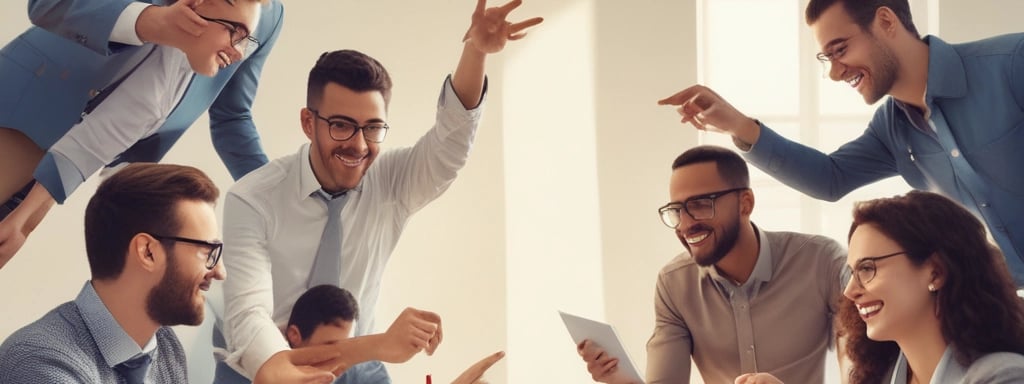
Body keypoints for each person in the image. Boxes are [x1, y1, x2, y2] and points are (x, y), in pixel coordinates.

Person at [217, 0, 543, 382]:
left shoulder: (389, 180)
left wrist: (475, 52)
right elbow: (248, 317)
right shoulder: (251, 199)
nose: (358, 145)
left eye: (372, 127)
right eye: (341, 125)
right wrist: (374, 346)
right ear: (308, 122)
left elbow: (450, 145)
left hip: (359, 371)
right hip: (264, 370)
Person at [657, 0, 1024, 285]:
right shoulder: (892, 128)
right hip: (1006, 307)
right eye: (825, 57)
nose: (833, 72)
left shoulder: (1011, 64)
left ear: (886, 22)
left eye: (840, 49)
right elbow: (829, 178)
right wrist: (738, 125)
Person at [0, 0, 284, 269]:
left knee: (11, 234)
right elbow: (47, 5)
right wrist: (150, 21)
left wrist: (274, 200)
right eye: (235, 33)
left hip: (80, 160)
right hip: (23, 112)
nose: (239, 52)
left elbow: (232, 117)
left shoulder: (268, 16)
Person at [577, 145, 848, 383]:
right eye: (677, 210)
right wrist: (617, 378)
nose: (685, 224)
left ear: (746, 203)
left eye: (701, 204)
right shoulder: (674, 284)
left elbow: (862, 369)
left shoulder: (821, 261)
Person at [735, 191, 1024, 384]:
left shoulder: (1004, 377)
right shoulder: (884, 375)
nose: (850, 291)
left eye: (867, 268)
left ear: (936, 271)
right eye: (852, 272)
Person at [285, 285, 504, 384]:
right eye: (330, 347)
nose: (341, 359)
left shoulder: (366, 373)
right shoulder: (261, 370)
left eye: (350, 345)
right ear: (294, 336)